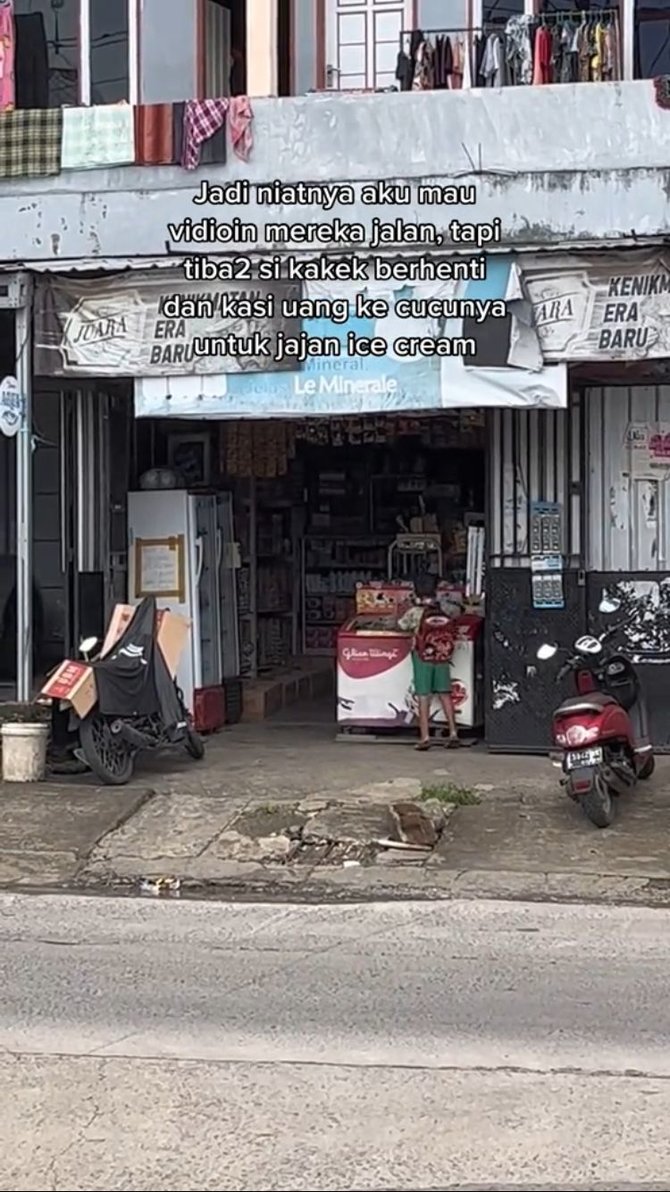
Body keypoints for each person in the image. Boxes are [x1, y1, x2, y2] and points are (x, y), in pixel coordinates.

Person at [398, 572, 460, 751]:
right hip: (442, 657)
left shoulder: (414, 612)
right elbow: (458, 615)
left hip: (422, 657)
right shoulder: (445, 608)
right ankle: (453, 733)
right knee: (445, 694)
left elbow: (401, 625)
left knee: (423, 696)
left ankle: (425, 737)